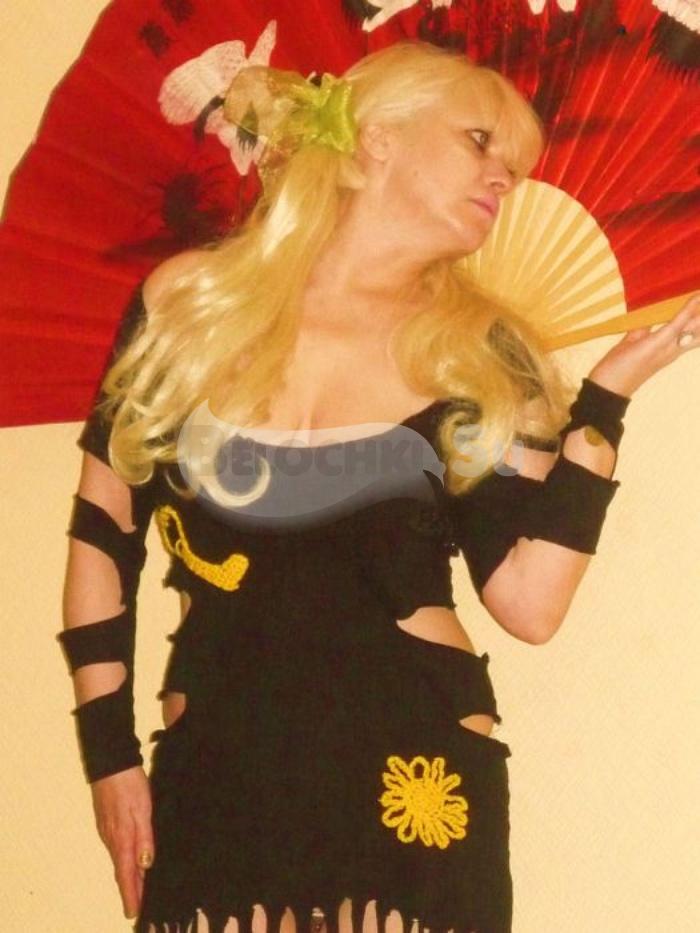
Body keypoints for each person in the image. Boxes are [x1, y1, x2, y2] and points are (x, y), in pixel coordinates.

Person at [58, 40, 699, 933]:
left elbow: (529, 601)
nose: (502, 178)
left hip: (414, 778)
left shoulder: (481, 355)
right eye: (479, 141)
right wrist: (109, 758)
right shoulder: (186, 306)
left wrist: (608, 398)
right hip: (220, 773)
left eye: (514, 167)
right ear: (377, 138)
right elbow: (103, 532)